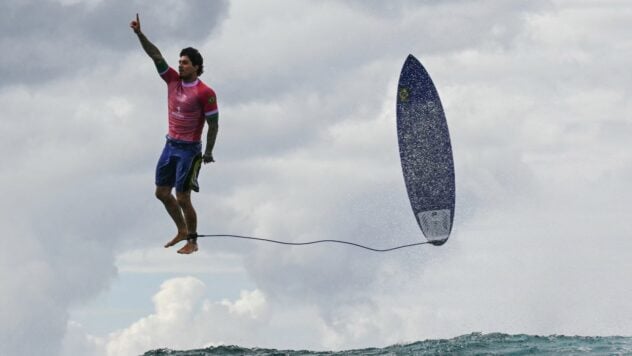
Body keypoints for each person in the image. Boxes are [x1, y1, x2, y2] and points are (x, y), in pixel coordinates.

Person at [130, 13, 219, 254]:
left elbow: (214, 124)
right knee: (161, 193)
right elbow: (155, 55)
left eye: (185, 63)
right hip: (170, 145)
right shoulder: (172, 80)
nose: (180, 65)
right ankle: (181, 229)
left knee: (182, 197)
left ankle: (192, 240)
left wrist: (208, 152)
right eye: (179, 61)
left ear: (197, 67)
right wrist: (140, 34)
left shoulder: (205, 92)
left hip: (190, 151)